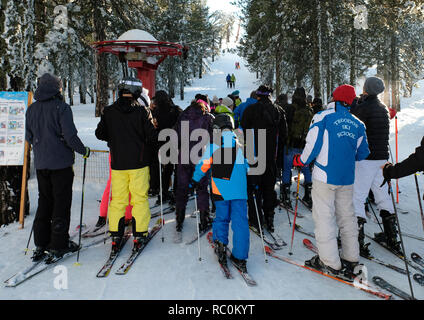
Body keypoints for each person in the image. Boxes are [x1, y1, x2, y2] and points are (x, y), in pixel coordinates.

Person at [295, 84, 370, 280]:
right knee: (347, 217)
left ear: (334, 98)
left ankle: (329, 262)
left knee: (324, 217)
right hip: (347, 178)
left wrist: (301, 161)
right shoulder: (358, 123)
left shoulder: (323, 117)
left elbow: (312, 145)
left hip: (324, 176)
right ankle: (351, 257)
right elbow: (363, 153)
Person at [26, 73, 90, 261]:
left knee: (45, 201)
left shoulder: (31, 109)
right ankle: (59, 243)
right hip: (61, 164)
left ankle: (41, 242)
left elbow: (28, 137)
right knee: (61, 203)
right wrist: (83, 150)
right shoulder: (62, 108)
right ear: (56, 88)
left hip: (41, 163)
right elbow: (70, 136)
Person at [95, 77, 158, 254]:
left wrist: (115, 139)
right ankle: (139, 233)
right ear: (136, 92)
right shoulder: (141, 112)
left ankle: (116, 234)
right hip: (138, 163)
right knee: (139, 199)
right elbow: (152, 137)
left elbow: (100, 133)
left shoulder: (109, 111)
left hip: (118, 164)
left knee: (118, 200)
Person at [350, 76, 402, 256]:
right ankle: (392, 236)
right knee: (382, 197)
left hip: (366, 160)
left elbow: (354, 121)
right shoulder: (383, 108)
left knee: (357, 197)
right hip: (382, 160)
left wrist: (356, 103)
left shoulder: (363, 107)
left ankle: (356, 240)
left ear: (366, 89)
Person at [192, 113, 250, 271]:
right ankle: (240, 256)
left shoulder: (214, 145)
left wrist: (195, 180)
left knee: (222, 218)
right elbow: (248, 166)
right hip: (239, 190)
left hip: (221, 189)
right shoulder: (241, 144)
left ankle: (221, 244)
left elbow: (203, 165)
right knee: (240, 222)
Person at [241, 85, 282, 233]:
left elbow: (243, 128)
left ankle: (255, 219)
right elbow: (283, 135)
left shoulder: (250, 110)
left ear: (258, 95)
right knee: (268, 187)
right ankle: (269, 218)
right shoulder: (277, 110)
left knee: (253, 188)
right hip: (270, 154)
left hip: (253, 153)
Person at [174, 96, 214, 241]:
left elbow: (175, 136)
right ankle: (204, 218)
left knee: (182, 188)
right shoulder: (207, 118)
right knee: (202, 188)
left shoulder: (183, 114)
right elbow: (213, 139)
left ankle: (179, 218)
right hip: (200, 158)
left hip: (184, 156)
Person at [281, 87, 314, 209]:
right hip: (304, 145)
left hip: (291, 144)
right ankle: (308, 195)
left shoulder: (289, 108)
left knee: (287, 169)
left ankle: (285, 196)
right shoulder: (309, 110)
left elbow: (285, 126)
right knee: (306, 168)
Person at [151, 90, 182, 206]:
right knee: (177, 169)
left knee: (167, 170)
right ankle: (176, 194)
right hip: (176, 143)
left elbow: (154, 128)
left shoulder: (156, 112)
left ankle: (163, 194)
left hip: (163, 144)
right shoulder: (175, 109)